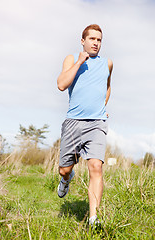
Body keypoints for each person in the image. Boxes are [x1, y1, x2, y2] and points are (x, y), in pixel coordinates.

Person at [57, 24, 113, 226]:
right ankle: (66, 179)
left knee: (96, 166)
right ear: (83, 41)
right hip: (73, 123)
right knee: (64, 169)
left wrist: (102, 107)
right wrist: (80, 61)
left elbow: (107, 87)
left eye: (99, 40)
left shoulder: (107, 63)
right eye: (92, 39)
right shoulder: (72, 59)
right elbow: (62, 84)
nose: (96, 43)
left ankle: (93, 219)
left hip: (97, 122)